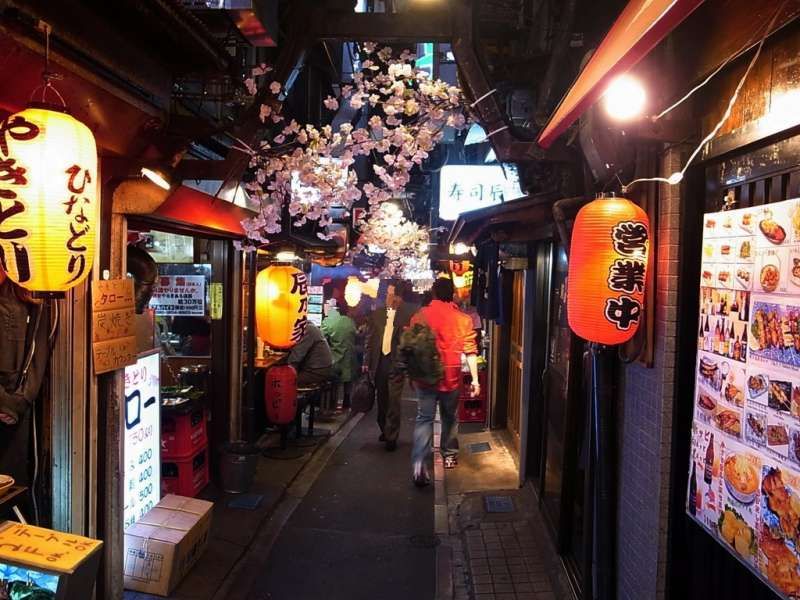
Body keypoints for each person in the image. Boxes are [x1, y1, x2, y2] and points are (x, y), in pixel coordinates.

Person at [409, 277, 479, 486]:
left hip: (425, 377)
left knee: (424, 418)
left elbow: (411, 348)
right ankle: (449, 455)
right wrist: (475, 380)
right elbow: (471, 351)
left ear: (434, 293)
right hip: (451, 376)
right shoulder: (463, 319)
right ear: (452, 294)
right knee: (450, 417)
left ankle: (420, 460)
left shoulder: (420, 316)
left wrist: (412, 374)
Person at [0, 265, 50, 487]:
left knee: (10, 487)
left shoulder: (24, 292)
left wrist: (17, 400)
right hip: (8, 401)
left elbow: (38, 351)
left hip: (12, 406)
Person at [364, 280, 418, 451]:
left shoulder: (407, 315)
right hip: (379, 361)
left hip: (396, 363)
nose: (389, 298)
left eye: (392, 295)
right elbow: (370, 339)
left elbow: (410, 342)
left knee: (394, 401)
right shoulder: (377, 314)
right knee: (382, 399)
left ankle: (392, 436)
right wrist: (366, 362)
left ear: (398, 297)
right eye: (387, 294)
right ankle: (384, 428)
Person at [321, 300, 357, 409]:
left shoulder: (328, 322)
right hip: (349, 359)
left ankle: (331, 403)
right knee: (347, 379)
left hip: (335, 359)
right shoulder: (350, 322)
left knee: (333, 378)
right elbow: (355, 334)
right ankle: (346, 400)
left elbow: (321, 337)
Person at [287, 321, 334, 388]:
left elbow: (296, 357)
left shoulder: (307, 329)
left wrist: (287, 369)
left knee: (287, 381)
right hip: (322, 368)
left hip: (317, 371)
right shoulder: (308, 326)